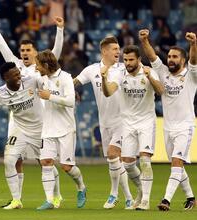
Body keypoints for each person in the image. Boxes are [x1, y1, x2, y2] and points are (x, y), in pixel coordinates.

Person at [0, 10, 64, 208]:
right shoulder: (15, 67)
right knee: (13, 159)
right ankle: (16, 199)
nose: (25, 54)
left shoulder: (41, 68)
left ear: (35, 52)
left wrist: (60, 30)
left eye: (28, 50)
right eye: (22, 51)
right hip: (18, 121)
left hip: (40, 120)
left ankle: (57, 194)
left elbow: (55, 54)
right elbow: (1, 45)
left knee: (44, 161)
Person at [0, 62, 48, 209]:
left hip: (40, 129)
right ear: (5, 78)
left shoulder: (31, 80)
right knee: (9, 161)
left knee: (46, 163)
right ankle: (16, 201)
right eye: (15, 75)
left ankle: (55, 197)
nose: (19, 76)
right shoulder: (1, 93)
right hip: (20, 129)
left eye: (18, 73)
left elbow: (50, 87)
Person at [139, 29, 197, 211]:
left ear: (182, 60)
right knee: (177, 164)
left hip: (184, 126)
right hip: (168, 126)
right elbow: (152, 56)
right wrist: (145, 40)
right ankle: (191, 198)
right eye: (169, 56)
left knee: (176, 162)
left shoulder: (191, 76)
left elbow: (194, 61)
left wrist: (194, 44)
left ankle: (166, 200)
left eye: (174, 57)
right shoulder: (163, 72)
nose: (170, 59)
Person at [74, 36, 134, 209]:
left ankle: (121, 196)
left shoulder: (124, 69)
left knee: (113, 154)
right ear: (104, 51)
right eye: (115, 49)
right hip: (105, 122)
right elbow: (74, 82)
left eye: (118, 48)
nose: (119, 52)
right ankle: (120, 195)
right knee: (113, 161)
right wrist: (67, 91)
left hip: (123, 121)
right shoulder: (92, 70)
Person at [102, 45, 164, 210]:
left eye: (131, 60)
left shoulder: (148, 71)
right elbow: (109, 92)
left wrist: (151, 77)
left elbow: (161, 91)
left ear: (138, 59)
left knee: (144, 160)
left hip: (146, 122)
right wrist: (103, 79)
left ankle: (146, 201)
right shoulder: (119, 73)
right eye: (125, 60)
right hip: (127, 124)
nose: (128, 63)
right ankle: (141, 191)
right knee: (128, 164)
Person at [35, 50, 86, 210]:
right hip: (48, 128)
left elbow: (71, 101)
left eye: (38, 65)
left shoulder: (65, 78)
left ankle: (81, 187)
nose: (36, 68)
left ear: (45, 65)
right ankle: (50, 200)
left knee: (67, 167)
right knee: (46, 162)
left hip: (65, 128)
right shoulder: (42, 78)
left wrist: (49, 96)